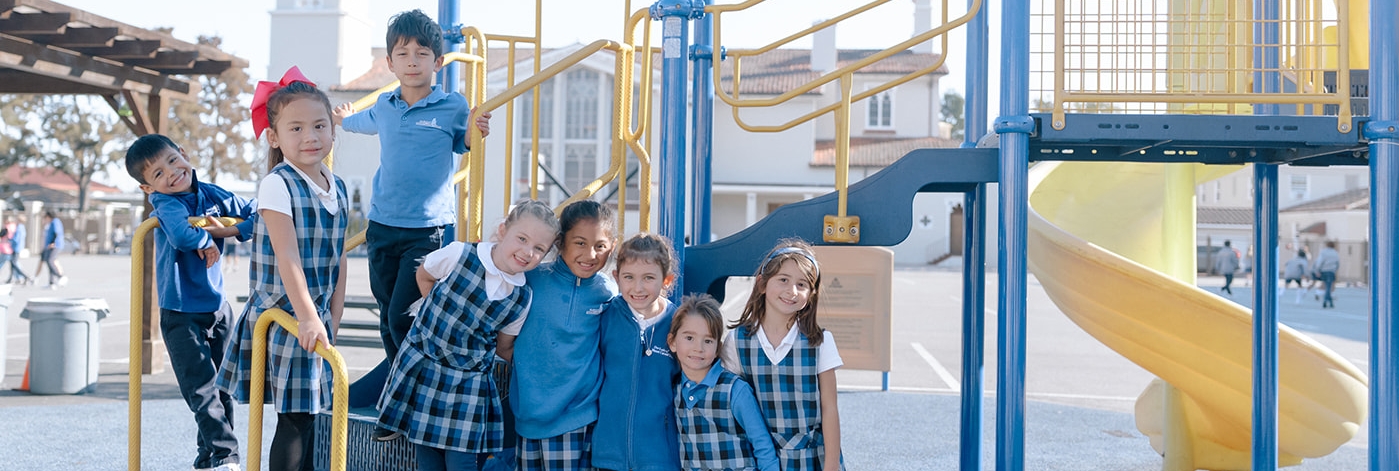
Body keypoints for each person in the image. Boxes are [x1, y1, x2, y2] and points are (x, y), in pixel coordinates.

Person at [331, 9, 493, 374]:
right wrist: (342, 118)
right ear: (389, 62)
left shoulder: (452, 105)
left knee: (402, 314)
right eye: (403, 54)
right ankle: (398, 378)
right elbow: (359, 122)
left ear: (437, 61)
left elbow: (463, 142)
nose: (412, 62)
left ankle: (414, 381)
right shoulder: (384, 106)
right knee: (386, 311)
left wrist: (474, 128)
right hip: (382, 225)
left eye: (421, 54)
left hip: (427, 229)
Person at [216, 68, 349, 471]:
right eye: (296, 128)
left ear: (332, 130)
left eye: (319, 126)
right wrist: (309, 317)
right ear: (274, 137)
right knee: (294, 420)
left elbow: (340, 257)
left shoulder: (336, 184)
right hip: (284, 314)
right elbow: (287, 255)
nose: (310, 136)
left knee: (309, 420)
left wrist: (333, 316)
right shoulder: (278, 183)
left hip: (314, 314)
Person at [376, 200, 556, 471]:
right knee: (428, 457)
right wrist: (435, 310)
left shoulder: (522, 297)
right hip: (427, 369)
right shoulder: (459, 254)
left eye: (539, 248)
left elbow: (504, 346)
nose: (527, 251)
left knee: (462, 461)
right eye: (522, 238)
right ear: (503, 230)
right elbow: (424, 275)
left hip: (469, 383)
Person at [125, 133, 257, 471]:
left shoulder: (212, 194)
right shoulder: (166, 204)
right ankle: (226, 454)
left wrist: (229, 230)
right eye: (157, 174)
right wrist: (204, 237)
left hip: (217, 307)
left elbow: (254, 214)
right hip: (181, 312)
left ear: (183, 154)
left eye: (172, 160)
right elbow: (182, 235)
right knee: (201, 390)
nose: (170, 173)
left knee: (224, 385)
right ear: (148, 188)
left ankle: (210, 458)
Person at [510, 200, 618, 471]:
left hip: (576, 416)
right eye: (580, 243)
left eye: (600, 246)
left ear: (612, 247)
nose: (590, 254)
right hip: (527, 415)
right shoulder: (532, 280)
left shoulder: (608, 293)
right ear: (560, 243)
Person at [722, 239, 844, 471]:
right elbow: (732, 406)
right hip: (758, 458)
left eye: (802, 284)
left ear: (811, 293)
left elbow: (830, 409)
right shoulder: (737, 342)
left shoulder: (820, 342)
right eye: (783, 280)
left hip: (811, 459)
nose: (792, 291)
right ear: (762, 284)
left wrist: (831, 466)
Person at [594, 233, 681, 471]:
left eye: (649, 278)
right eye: (629, 277)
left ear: (666, 281)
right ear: (616, 277)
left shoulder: (679, 323)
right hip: (609, 452)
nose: (638, 287)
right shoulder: (607, 317)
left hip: (659, 455)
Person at [669, 294, 779, 471]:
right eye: (689, 338)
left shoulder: (735, 390)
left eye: (708, 340)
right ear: (672, 342)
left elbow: (762, 444)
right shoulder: (674, 391)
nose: (699, 348)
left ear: (718, 348)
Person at [35, 210, 67, 289]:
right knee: (49, 262)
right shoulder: (52, 222)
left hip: (55, 245)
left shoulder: (55, 222)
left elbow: (56, 233)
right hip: (51, 245)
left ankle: (60, 276)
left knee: (50, 261)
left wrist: (52, 242)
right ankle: (51, 283)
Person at [1314, 241, 1341, 309]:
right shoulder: (1335, 253)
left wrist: (1318, 270)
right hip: (1331, 271)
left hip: (1324, 270)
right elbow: (1337, 263)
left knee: (1326, 286)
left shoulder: (1323, 252)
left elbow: (1320, 261)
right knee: (1329, 286)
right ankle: (1329, 300)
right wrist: (1335, 270)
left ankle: (1326, 300)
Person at [6, 215, 29, 284]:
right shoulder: (22, 228)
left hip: (15, 247)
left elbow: (16, 239)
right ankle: (11, 278)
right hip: (18, 247)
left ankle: (24, 276)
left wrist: (10, 240)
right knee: (12, 263)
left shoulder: (19, 228)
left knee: (14, 263)